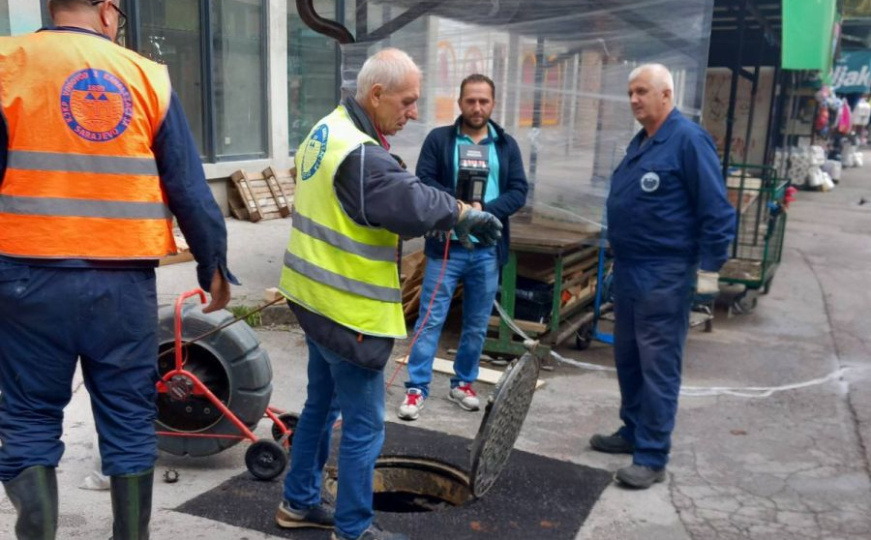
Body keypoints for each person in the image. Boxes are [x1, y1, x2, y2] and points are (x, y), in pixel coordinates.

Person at [0, 1, 235, 538]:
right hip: (121, 283)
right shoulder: (146, 77)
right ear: (108, 11)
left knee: (30, 418)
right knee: (128, 418)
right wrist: (213, 263)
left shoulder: (8, 63)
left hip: (26, 278)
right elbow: (187, 184)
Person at [274, 49, 502, 540]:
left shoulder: (327, 129)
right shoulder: (362, 156)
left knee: (320, 407)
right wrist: (463, 213)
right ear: (376, 94)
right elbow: (411, 201)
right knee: (364, 427)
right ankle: (354, 529)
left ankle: (299, 501)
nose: (413, 113)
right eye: (407, 101)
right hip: (348, 314)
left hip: (312, 301)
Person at [589, 64, 735, 489]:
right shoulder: (643, 142)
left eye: (642, 91)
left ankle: (652, 456)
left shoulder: (687, 140)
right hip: (631, 270)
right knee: (629, 357)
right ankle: (633, 430)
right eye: (630, 93)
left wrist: (709, 272)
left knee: (658, 365)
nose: (634, 99)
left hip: (665, 273)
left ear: (666, 94)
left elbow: (716, 209)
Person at [397, 74, 528, 421]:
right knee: (430, 319)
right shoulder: (440, 140)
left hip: (486, 250)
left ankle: (463, 384)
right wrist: (458, 209)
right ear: (459, 102)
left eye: (483, 101)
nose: (477, 107)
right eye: (470, 100)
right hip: (446, 248)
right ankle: (416, 388)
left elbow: (519, 190)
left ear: (493, 103)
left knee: (476, 323)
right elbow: (424, 180)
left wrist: (486, 211)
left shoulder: (506, 145)